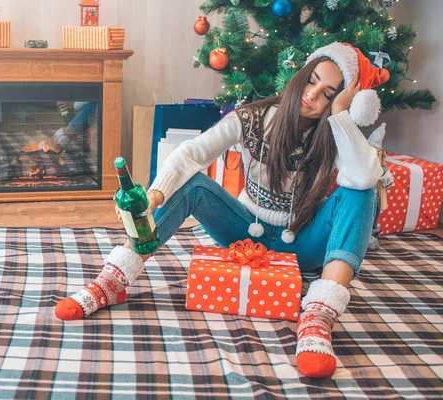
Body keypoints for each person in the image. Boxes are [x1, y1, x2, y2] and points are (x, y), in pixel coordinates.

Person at [55, 42, 390, 379]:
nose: (313, 95)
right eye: (311, 81)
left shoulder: (339, 131)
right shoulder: (254, 117)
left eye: (329, 94)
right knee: (193, 184)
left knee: (362, 193)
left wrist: (340, 118)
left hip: (303, 246)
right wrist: (157, 192)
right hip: (246, 235)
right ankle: (114, 279)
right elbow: (192, 153)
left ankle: (318, 316)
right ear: (299, 76)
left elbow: (363, 176)